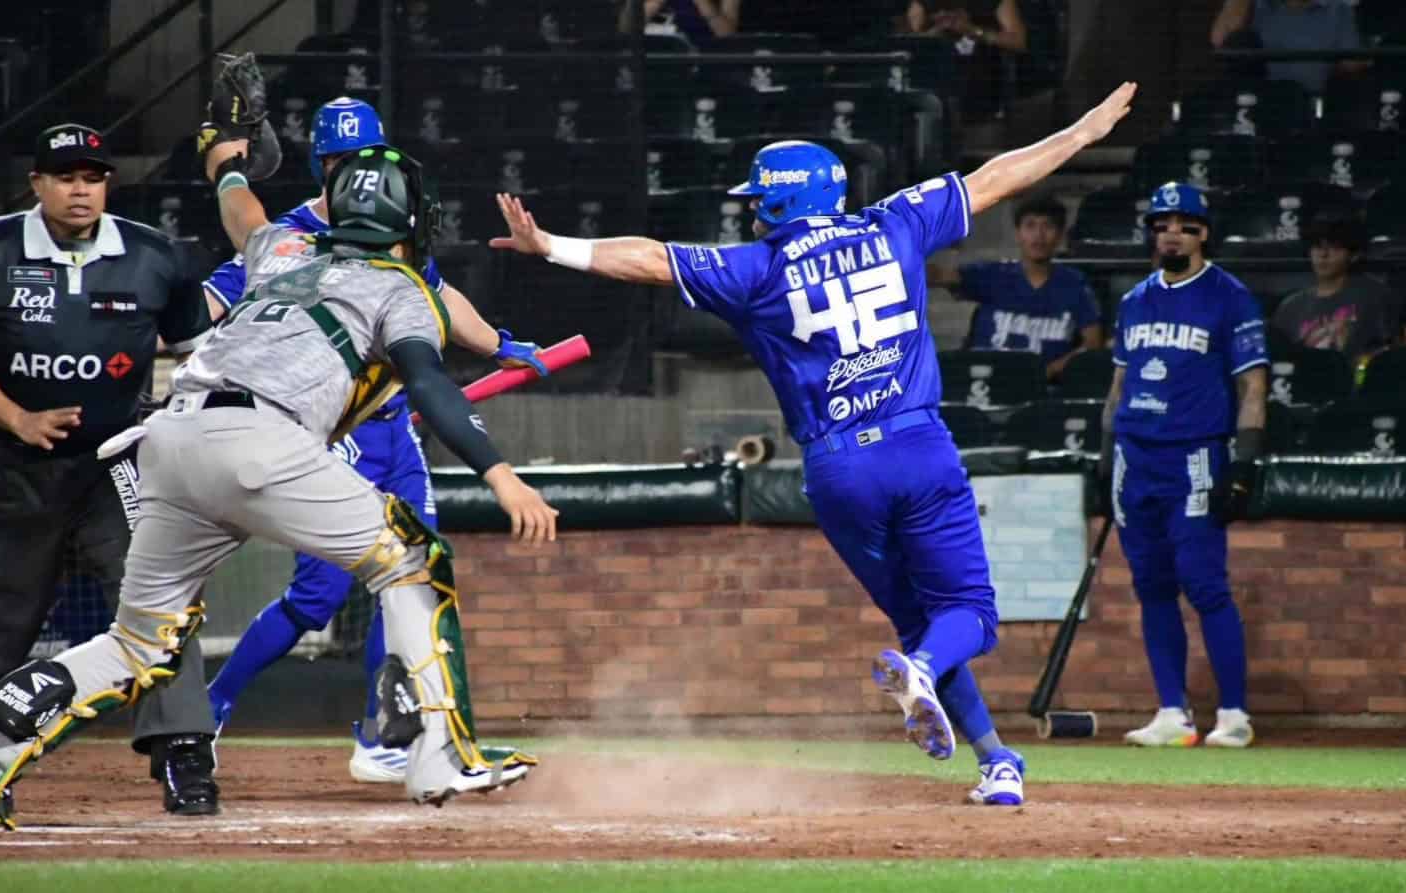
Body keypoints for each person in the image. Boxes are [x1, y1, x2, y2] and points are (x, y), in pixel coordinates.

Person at [491, 82, 1140, 806]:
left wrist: (550, 245)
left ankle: (995, 761)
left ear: (776, 202)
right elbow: (994, 180)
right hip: (916, 443)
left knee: (918, 623)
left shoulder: (758, 270)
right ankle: (927, 677)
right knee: (969, 617)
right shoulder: (895, 223)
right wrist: (1079, 134)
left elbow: (648, 259)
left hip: (836, 469)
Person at [0, 55, 559, 830]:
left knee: (137, 644)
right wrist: (501, 473)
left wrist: (224, 159)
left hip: (167, 441)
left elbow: (240, 209)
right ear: (412, 222)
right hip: (260, 440)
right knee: (414, 558)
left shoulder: (282, 250)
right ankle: (436, 754)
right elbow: (429, 382)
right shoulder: (402, 288)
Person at [139, 97, 547, 819]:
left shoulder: (392, 228)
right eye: (338, 159)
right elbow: (213, 297)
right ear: (321, 165)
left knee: (416, 564)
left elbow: (438, 295)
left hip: (394, 426)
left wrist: (502, 343)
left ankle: (386, 733)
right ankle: (219, 706)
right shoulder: (291, 236)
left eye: (363, 154)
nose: (353, 169)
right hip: (320, 421)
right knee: (321, 594)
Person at [0, 123, 207, 733]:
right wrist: (19, 418)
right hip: (13, 464)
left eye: (93, 178)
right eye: (66, 178)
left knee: (158, 597)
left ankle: (183, 750)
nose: (81, 191)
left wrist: (179, 418)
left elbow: (200, 355)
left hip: (118, 466)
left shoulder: (156, 255)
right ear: (37, 183)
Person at [1100, 182, 1269, 750]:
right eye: (1162, 223)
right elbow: (1118, 383)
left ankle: (1234, 714)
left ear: (1204, 233)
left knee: (1205, 585)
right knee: (1151, 586)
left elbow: (1252, 386)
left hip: (1195, 453)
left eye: (1185, 224)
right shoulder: (1133, 301)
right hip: (1135, 456)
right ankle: (1172, 712)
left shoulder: (1231, 297)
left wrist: (1244, 461)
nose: (1172, 233)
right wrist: (1105, 457)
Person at [928, 192, 1102, 380]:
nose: (1039, 235)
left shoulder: (1074, 285)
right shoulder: (993, 275)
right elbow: (938, 276)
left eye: (1048, 226)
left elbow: (1093, 342)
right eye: (1030, 226)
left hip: (1047, 390)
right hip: (985, 381)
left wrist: (1051, 370)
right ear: (1018, 234)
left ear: (1060, 236)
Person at [1270, 213, 1394, 365]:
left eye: (1334, 248)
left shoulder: (1375, 297)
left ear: (1354, 255)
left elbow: (1388, 351)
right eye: (1317, 247)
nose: (1323, 255)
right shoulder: (1290, 307)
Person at [1210, 0, 1365, 93]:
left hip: (1310, 110)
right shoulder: (1254, 5)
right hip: (1257, 107)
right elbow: (1221, 41)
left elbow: (1351, 66)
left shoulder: (1338, 9)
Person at [619, 0, 740, 45]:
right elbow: (626, 29)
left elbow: (727, 35)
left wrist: (703, 4)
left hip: (706, 61)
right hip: (653, 60)